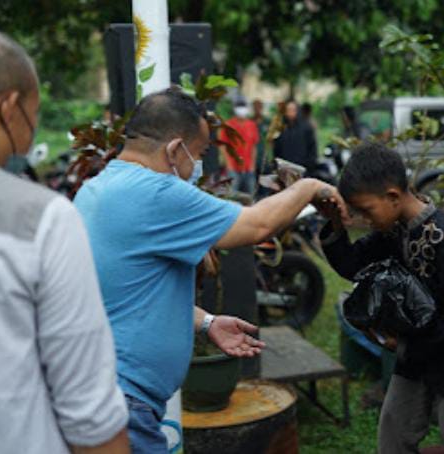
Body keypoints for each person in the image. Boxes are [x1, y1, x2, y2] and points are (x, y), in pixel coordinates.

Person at [74, 88, 347, 452]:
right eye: (199, 155)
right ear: (174, 150)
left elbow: (128, 294)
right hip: (124, 404)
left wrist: (206, 322)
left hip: (104, 396)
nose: (198, 167)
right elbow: (256, 226)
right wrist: (310, 187)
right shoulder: (154, 192)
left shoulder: (96, 190)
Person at [0, 28, 130, 453]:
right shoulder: (43, 220)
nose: (30, 135)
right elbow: (90, 416)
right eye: (33, 116)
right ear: (9, 108)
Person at [319, 142, 444, 454]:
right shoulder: (395, 230)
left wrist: (406, 344)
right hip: (414, 359)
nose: (364, 220)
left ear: (393, 196)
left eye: (366, 211)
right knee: (393, 433)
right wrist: (333, 223)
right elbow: (353, 264)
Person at [219, 101, 259, 194]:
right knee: (232, 196)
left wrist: (253, 164)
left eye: (243, 107)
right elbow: (223, 146)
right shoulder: (228, 125)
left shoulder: (252, 125)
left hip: (248, 168)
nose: (242, 110)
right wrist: (228, 164)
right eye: (239, 107)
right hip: (233, 168)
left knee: (250, 195)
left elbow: (253, 146)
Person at [273, 99, 318, 173]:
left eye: (293, 109)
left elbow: (312, 149)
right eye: (288, 109)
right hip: (284, 169)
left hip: (302, 168)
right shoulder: (281, 128)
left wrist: (309, 166)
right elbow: (277, 149)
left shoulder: (306, 127)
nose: (290, 112)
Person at [252, 99, 270, 177]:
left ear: (262, 108)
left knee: (265, 183)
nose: (257, 109)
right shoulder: (249, 122)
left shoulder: (267, 122)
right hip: (252, 159)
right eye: (255, 107)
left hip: (264, 158)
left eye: (259, 107)